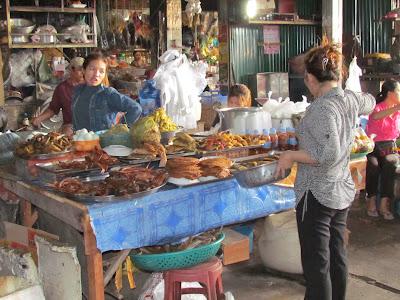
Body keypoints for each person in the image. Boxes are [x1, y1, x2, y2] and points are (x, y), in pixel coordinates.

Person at [275, 43, 375, 300]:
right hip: (340, 192)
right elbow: (371, 101)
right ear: (337, 74)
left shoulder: (322, 108)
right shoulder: (349, 99)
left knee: (317, 266)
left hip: (317, 194)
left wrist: (290, 155)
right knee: (336, 256)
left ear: (310, 77)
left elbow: (326, 156)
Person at [72, 52, 142, 132]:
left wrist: (119, 129)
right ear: (84, 70)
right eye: (92, 69)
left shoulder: (108, 94)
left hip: (101, 143)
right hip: (79, 142)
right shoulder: (78, 91)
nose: (96, 74)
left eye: (101, 71)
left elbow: (135, 108)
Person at [365, 79, 400, 220]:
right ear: (390, 93)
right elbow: (376, 116)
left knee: (390, 164)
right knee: (373, 166)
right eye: (398, 91)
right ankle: (371, 201)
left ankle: (384, 204)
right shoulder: (378, 107)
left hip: (390, 147)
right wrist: (396, 108)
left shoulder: (398, 113)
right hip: (373, 147)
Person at [32, 57, 84, 136]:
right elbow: (53, 109)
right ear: (72, 70)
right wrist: (38, 119)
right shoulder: (62, 88)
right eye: (80, 70)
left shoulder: (89, 85)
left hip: (89, 124)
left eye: (85, 69)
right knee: (67, 134)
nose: (83, 72)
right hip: (70, 125)